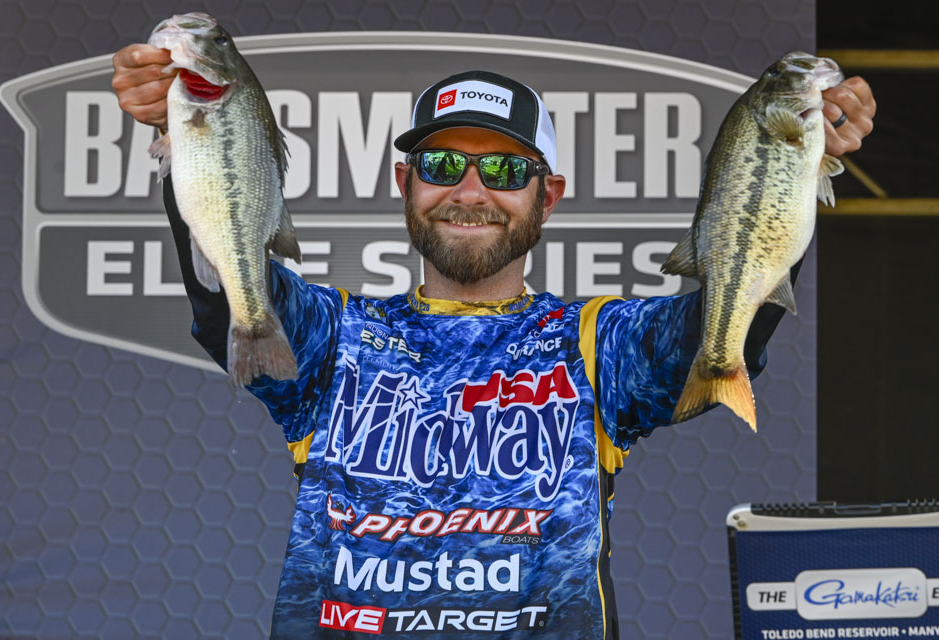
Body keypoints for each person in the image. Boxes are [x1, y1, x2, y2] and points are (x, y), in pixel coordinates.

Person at [112, 44, 875, 639]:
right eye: (443, 165)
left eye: (505, 168)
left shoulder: (597, 345)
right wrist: (186, 134)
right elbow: (228, 292)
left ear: (549, 195)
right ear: (406, 184)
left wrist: (795, 161)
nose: (470, 191)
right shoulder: (336, 340)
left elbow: (724, 324)